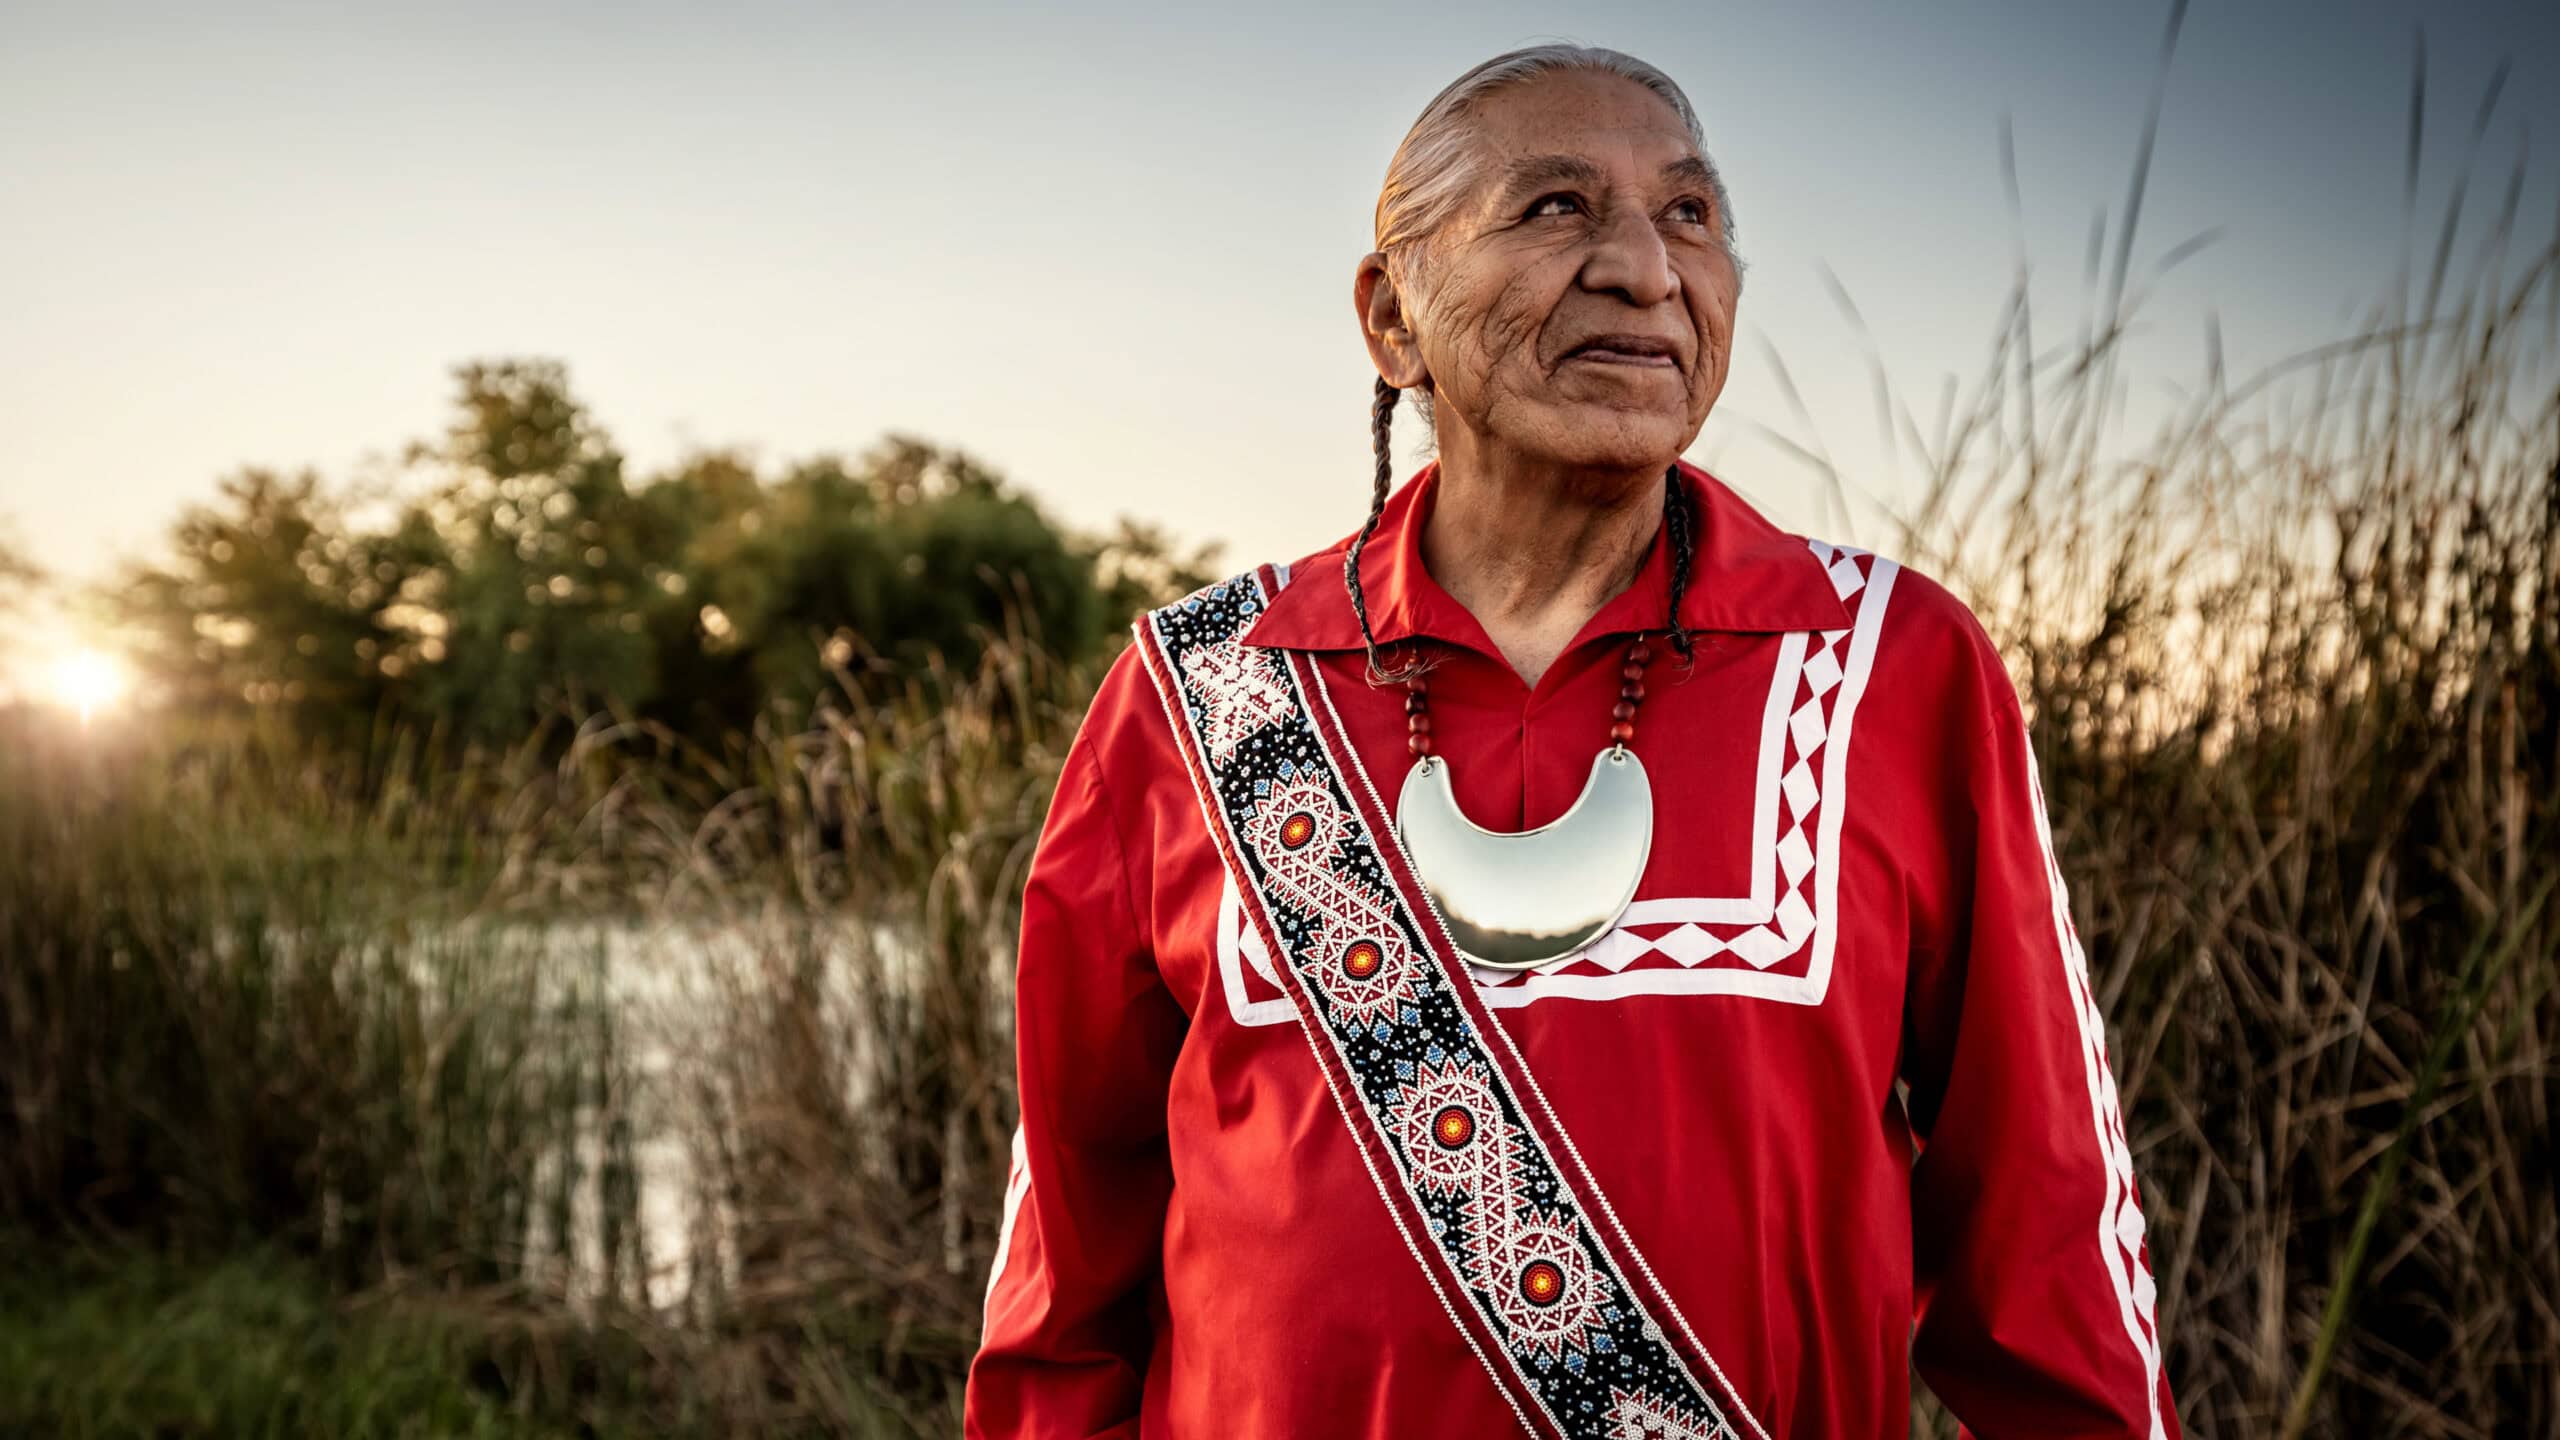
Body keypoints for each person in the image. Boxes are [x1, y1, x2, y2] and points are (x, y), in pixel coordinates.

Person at [964, 44, 2177, 1440]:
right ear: (1391, 318)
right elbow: (1066, 1267)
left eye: (1691, 217)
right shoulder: (1200, 696)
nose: (1646, 271)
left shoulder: (1892, 665)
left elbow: (2050, 1234)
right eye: (1555, 209)